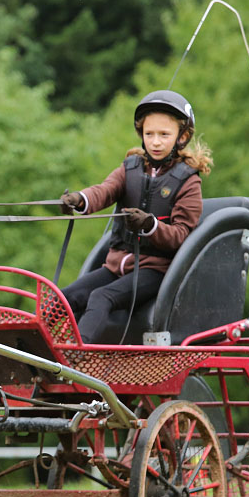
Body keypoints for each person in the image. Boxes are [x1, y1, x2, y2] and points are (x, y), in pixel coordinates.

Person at [59, 90, 213, 343]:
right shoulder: (129, 168)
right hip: (116, 266)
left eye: (164, 135)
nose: (155, 142)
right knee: (63, 298)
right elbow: (104, 191)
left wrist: (150, 225)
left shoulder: (188, 181)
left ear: (182, 137)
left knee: (101, 297)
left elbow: (180, 236)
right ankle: (27, 351)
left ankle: (75, 356)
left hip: (155, 272)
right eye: (149, 134)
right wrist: (79, 199)